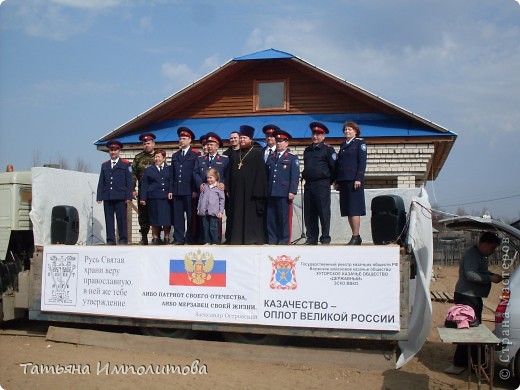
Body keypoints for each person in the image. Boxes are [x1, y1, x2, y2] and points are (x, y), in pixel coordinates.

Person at [444, 232, 503, 375]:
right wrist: (489, 278)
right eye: (492, 248)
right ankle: (477, 365)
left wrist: (490, 274)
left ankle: (463, 362)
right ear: (484, 244)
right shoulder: (472, 255)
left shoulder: (480, 256)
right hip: (466, 297)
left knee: (468, 330)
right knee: (472, 331)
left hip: (472, 296)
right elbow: (471, 274)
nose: (493, 251)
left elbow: (479, 271)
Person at [225, 125, 267, 244]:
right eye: (241, 138)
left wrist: (258, 192)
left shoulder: (257, 153)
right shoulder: (234, 154)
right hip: (236, 191)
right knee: (236, 215)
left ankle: (251, 238)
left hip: (251, 193)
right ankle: (236, 239)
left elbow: (261, 174)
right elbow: (229, 172)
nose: (242, 140)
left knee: (250, 217)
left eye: (245, 138)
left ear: (250, 140)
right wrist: (227, 187)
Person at [302, 122, 337, 245]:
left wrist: (328, 181)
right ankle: (311, 237)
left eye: (318, 134)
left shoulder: (328, 149)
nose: (315, 136)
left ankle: (325, 237)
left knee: (323, 212)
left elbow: (334, 168)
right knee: (309, 213)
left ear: (323, 136)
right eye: (314, 134)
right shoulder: (307, 150)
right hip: (309, 185)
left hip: (322, 184)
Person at [335, 121, 367, 245]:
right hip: (344, 180)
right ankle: (354, 235)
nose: (347, 131)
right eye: (346, 130)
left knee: (354, 209)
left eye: (350, 129)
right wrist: (337, 180)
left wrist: (359, 178)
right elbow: (340, 165)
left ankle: (356, 235)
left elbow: (362, 162)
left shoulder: (360, 143)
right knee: (348, 209)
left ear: (355, 131)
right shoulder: (343, 145)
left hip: (354, 180)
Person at [265, 129, 300, 245]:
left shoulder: (291, 157)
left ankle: (284, 240)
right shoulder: (271, 157)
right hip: (271, 192)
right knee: (271, 218)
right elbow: (267, 175)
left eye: (281, 141)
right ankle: (272, 239)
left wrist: (292, 191)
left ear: (287, 143)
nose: (279, 143)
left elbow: (295, 176)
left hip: (284, 192)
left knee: (284, 218)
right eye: (278, 141)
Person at [96, 140, 132, 245]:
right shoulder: (105, 165)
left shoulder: (125, 164)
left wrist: (128, 196)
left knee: (121, 220)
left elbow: (129, 181)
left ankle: (123, 240)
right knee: (109, 220)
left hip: (121, 197)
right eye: (111, 150)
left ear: (119, 151)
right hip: (108, 196)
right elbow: (101, 181)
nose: (113, 152)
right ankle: (110, 240)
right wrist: (99, 195)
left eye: (115, 150)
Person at [170, 126, 200, 245]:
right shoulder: (175, 155)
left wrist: (195, 190)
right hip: (177, 191)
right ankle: (179, 238)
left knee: (191, 217)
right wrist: (171, 190)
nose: (181, 140)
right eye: (180, 138)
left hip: (189, 191)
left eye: (184, 138)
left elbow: (196, 173)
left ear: (189, 140)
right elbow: (172, 174)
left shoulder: (195, 154)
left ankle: (190, 238)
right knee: (178, 217)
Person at [139, 149, 172, 245]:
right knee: (154, 218)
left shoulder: (169, 169)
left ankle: (166, 237)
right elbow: (144, 185)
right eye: (156, 157)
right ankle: (155, 238)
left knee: (166, 219)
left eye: (159, 157)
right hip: (153, 197)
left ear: (164, 158)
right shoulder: (148, 169)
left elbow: (171, 182)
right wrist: (143, 198)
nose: (157, 159)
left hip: (166, 198)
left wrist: (170, 192)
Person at [132, 132, 156, 245]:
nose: (146, 145)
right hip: (143, 192)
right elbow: (133, 175)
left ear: (153, 143)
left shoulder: (158, 156)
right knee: (143, 215)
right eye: (144, 143)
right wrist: (132, 189)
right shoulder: (138, 158)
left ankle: (157, 237)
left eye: (148, 143)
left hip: (156, 191)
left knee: (156, 213)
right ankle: (144, 237)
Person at [197, 168, 225, 244]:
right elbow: (201, 198)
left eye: (211, 177)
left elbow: (222, 200)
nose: (209, 179)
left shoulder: (219, 188)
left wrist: (221, 211)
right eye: (207, 178)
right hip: (205, 212)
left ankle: (215, 242)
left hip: (214, 212)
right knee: (205, 228)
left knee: (214, 228)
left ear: (215, 177)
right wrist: (199, 208)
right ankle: (207, 242)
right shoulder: (205, 186)